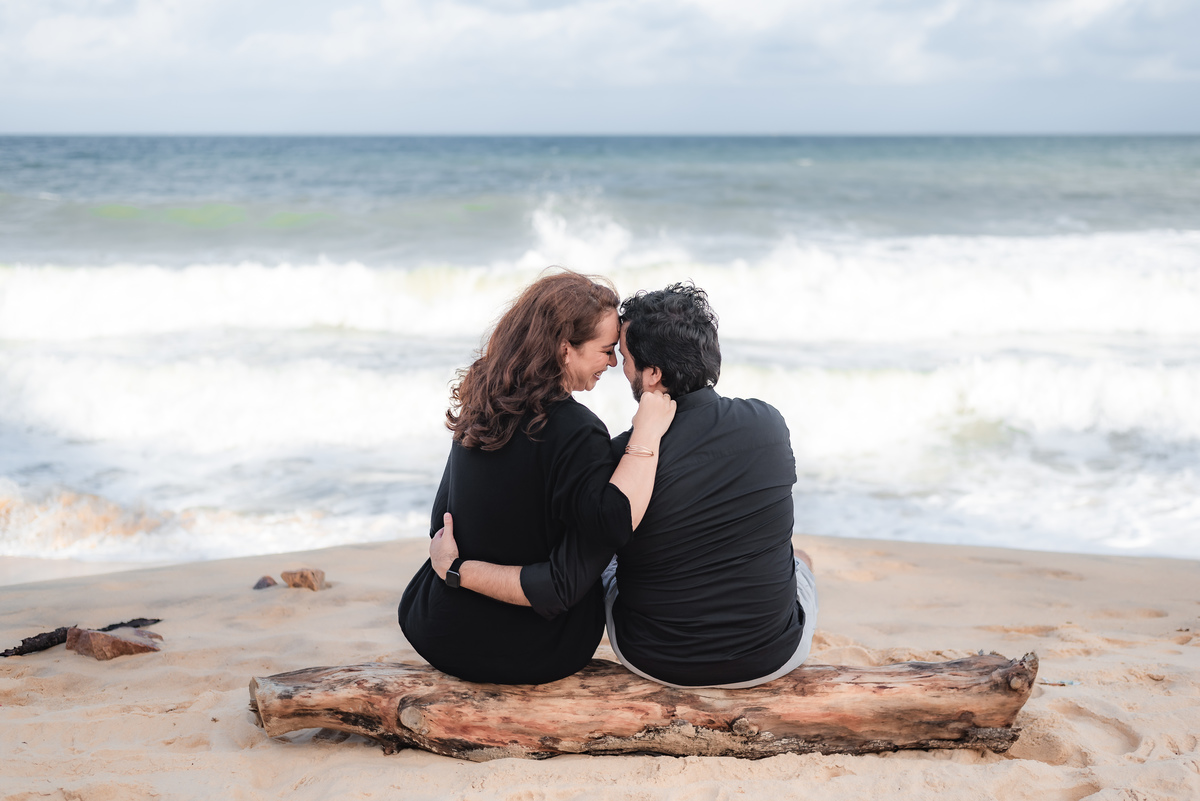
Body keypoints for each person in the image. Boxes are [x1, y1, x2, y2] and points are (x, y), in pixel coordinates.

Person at [430, 282, 817, 688]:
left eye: (625, 356)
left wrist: (459, 569)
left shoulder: (618, 458)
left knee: (610, 560)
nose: (617, 364)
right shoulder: (770, 423)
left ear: (653, 375)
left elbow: (579, 562)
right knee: (798, 560)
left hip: (654, 657)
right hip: (775, 655)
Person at [397, 270, 675, 685]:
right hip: (535, 650)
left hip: (440, 631)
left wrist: (456, 570)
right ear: (566, 349)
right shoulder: (578, 432)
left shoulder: (483, 404)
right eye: (606, 350)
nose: (614, 362)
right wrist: (646, 433)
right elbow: (609, 529)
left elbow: (443, 520)